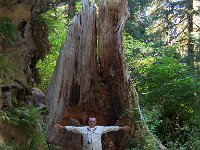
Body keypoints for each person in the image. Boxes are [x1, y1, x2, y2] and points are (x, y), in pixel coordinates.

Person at [55, 117, 131, 150]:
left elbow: (111, 128)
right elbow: (73, 128)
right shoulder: (83, 129)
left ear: (95, 122)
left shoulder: (100, 128)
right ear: (88, 122)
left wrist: (122, 128)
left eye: (93, 121)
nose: (92, 122)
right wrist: (62, 127)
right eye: (90, 121)